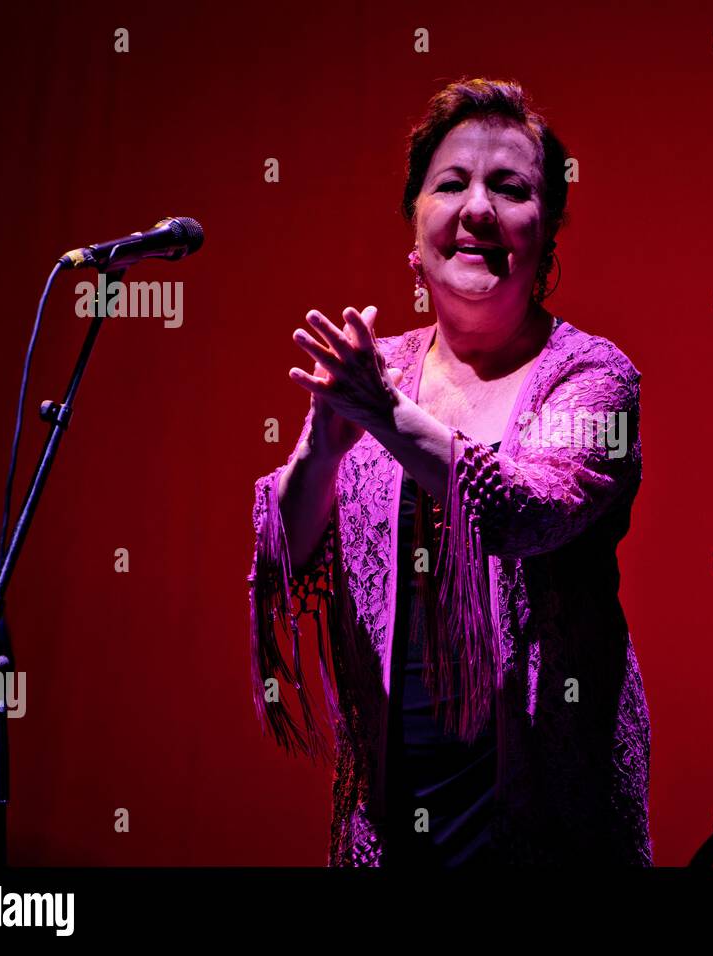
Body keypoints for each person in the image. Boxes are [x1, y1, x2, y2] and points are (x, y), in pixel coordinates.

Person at [248, 77, 650, 866]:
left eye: (509, 187)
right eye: (451, 184)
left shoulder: (595, 377)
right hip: (396, 803)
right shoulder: (376, 367)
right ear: (415, 224)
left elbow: (526, 513)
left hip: (548, 807)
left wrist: (386, 417)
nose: (477, 209)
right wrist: (323, 449)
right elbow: (282, 560)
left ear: (548, 233)